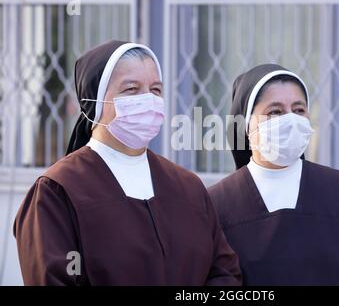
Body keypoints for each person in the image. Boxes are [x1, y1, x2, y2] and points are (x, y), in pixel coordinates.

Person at [14, 40, 241, 286]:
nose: (148, 100)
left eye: (155, 90)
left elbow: (224, 273)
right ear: (96, 102)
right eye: (131, 89)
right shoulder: (57, 191)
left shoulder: (187, 187)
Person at [208, 63, 339, 285]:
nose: (290, 120)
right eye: (275, 112)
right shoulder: (218, 204)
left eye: (299, 110)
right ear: (246, 124)